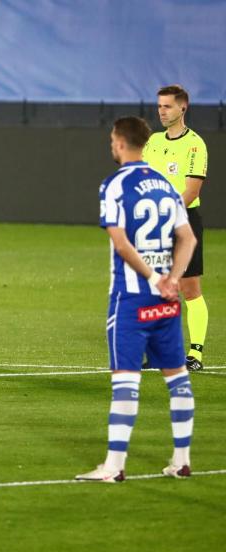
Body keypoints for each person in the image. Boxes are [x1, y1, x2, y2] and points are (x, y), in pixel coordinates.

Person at [76, 117, 197, 483]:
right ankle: (182, 460)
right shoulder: (165, 184)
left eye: (112, 140)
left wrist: (152, 277)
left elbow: (121, 241)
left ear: (119, 141)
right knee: (177, 378)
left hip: (132, 298)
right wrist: (172, 279)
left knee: (125, 380)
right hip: (167, 299)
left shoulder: (114, 185)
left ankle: (114, 466)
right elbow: (188, 239)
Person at [142, 85, 209, 371]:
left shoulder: (195, 145)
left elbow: (191, 192)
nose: (161, 111)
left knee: (189, 288)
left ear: (183, 108)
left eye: (167, 106)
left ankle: (195, 354)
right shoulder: (154, 142)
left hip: (184, 223)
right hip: (155, 224)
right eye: (159, 106)